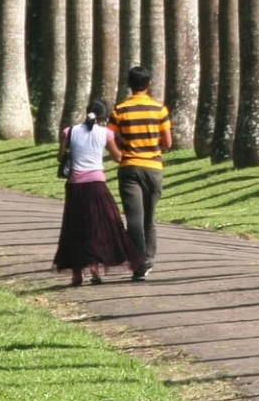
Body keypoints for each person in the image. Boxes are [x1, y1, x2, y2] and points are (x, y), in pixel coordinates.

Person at [52, 99, 134, 286]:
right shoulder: (106, 133)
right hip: (97, 185)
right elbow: (117, 157)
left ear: (87, 112)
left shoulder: (69, 131)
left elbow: (60, 157)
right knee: (99, 227)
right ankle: (95, 269)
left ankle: (77, 273)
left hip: (75, 186)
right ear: (104, 117)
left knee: (74, 228)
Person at [111, 65, 173, 281]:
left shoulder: (119, 110)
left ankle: (139, 262)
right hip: (153, 168)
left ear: (129, 85)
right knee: (149, 218)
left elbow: (110, 137)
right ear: (149, 84)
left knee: (134, 218)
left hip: (129, 167)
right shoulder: (159, 109)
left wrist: (120, 153)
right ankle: (148, 258)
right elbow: (167, 142)